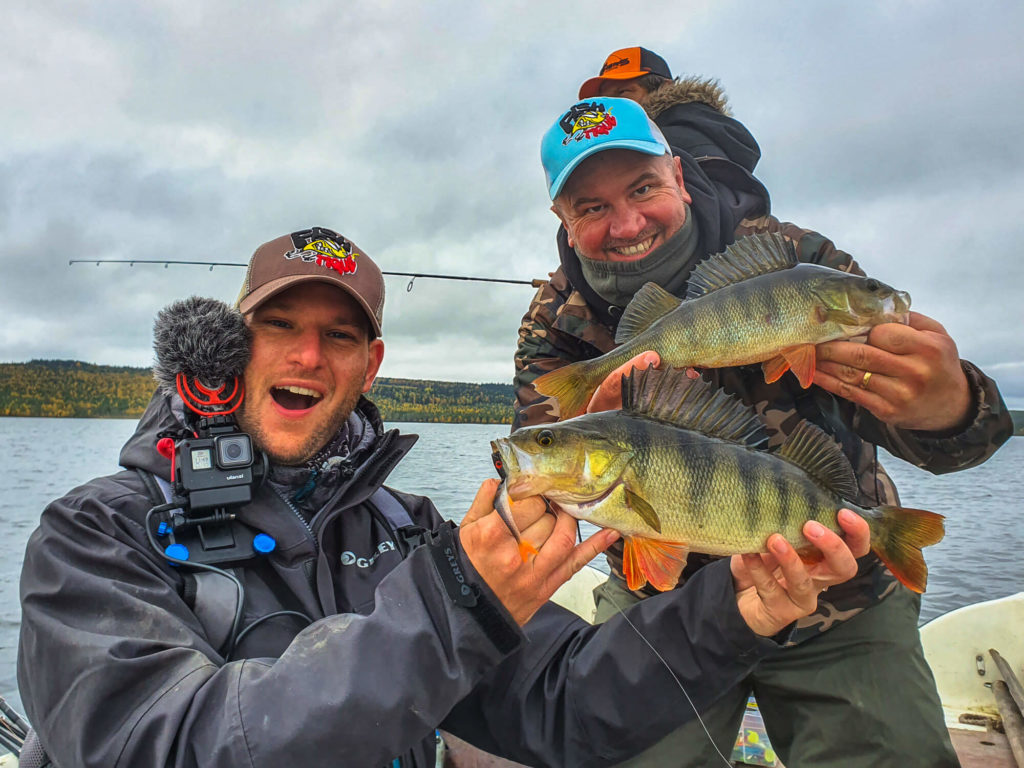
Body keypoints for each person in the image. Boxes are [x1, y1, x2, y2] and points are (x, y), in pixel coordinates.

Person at [17, 226, 870, 768]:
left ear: (371, 366)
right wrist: (454, 607)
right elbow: (159, 746)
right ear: (228, 346)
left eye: (339, 335)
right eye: (279, 327)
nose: (308, 357)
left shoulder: (406, 533)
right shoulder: (95, 535)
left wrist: (734, 609)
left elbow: (563, 704)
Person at [514, 98, 1014, 767]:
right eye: (591, 206)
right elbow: (535, 464)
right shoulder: (557, 319)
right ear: (563, 221)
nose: (627, 223)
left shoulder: (798, 263)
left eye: (642, 188)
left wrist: (949, 406)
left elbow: (957, 438)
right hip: (663, 607)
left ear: (679, 179)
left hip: (837, 584)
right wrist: (579, 433)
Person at [578, 45, 762, 175]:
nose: (612, 106)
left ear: (663, 89)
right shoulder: (643, 140)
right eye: (606, 100)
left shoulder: (672, 141)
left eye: (623, 93)